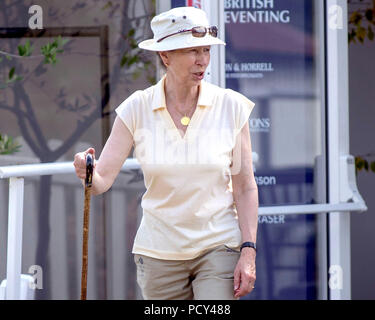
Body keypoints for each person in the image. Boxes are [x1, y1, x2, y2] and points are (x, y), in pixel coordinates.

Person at [74, 6, 258, 300]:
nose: (202, 60)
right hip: (158, 252)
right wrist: (87, 172)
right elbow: (102, 181)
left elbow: (245, 186)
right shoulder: (137, 108)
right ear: (165, 56)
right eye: (191, 51)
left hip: (218, 246)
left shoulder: (231, 107)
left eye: (205, 50)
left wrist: (248, 251)